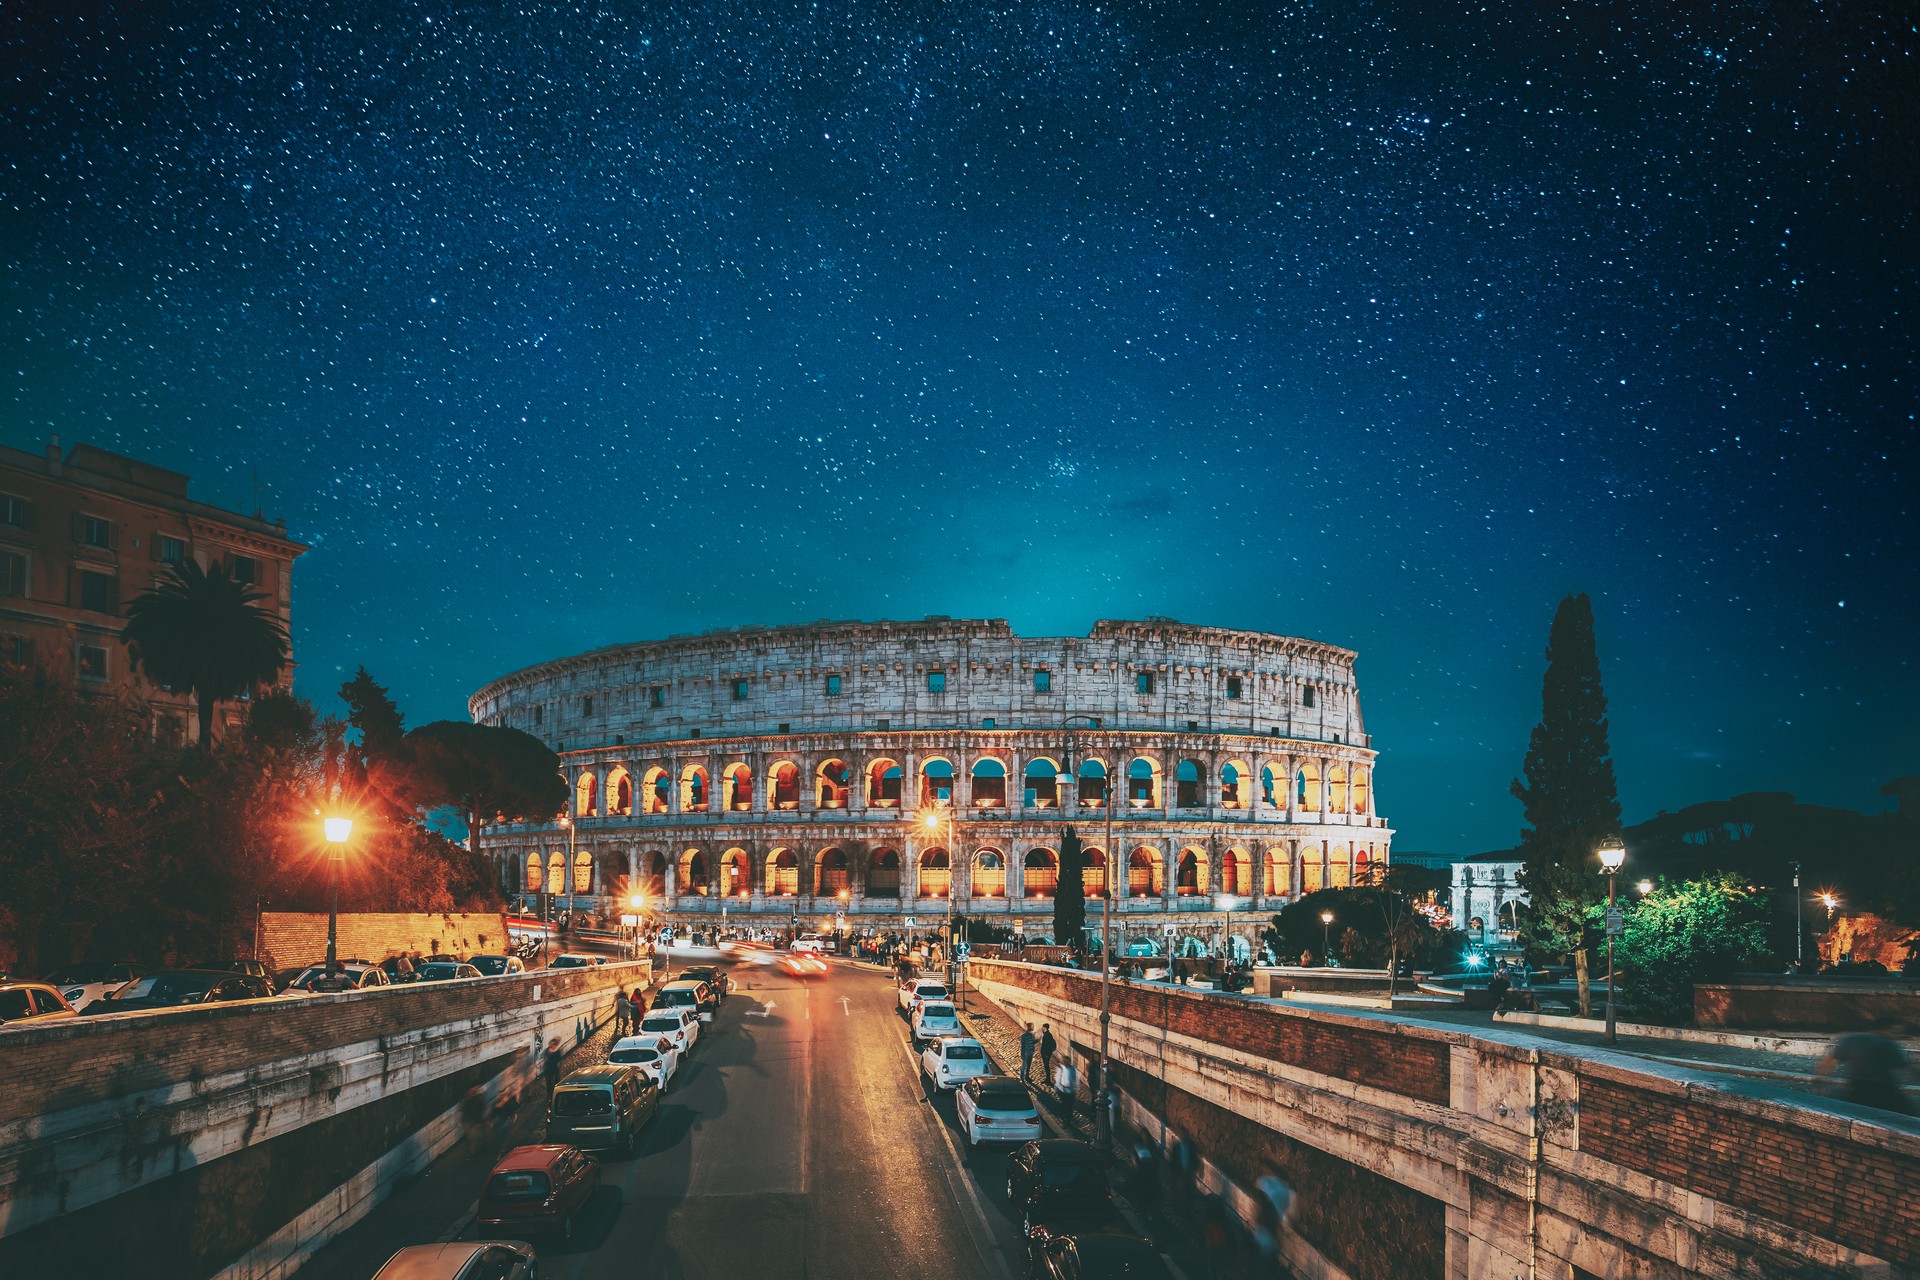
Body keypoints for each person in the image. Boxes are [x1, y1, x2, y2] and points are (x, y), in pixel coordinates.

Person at [1818, 1032, 1914, 1114]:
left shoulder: (1850, 1040)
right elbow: (1906, 1067)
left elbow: (1829, 1062)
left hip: (1858, 1087)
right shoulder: (1886, 1044)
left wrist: (1819, 1083)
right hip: (1883, 1088)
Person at [1055, 1055, 1079, 1122]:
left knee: (1070, 1105)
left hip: (1071, 1090)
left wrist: (1075, 1088)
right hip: (1063, 1090)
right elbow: (1058, 1080)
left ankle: (1069, 1118)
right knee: (1064, 1104)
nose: (1066, 1063)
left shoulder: (1073, 1069)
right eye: (1064, 1061)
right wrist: (1061, 1089)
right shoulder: (1061, 1069)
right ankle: (1062, 1116)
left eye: (1067, 1061)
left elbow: (1076, 1079)